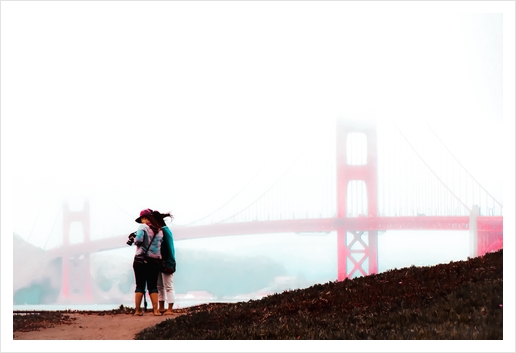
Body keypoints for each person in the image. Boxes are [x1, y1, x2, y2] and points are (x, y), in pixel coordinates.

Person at [128, 208, 164, 316]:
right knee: (153, 286)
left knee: (140, 285)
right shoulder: (159, 230)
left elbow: (138, 240)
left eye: (142, 219)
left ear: (145, 218)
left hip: (141, 260)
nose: (142, 221)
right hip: (155, 261)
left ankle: (138, 310)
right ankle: (156, 310)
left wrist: (133, 239)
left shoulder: (142, 227)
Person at [152, 210, 177, 315]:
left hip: (166, 262)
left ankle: (170, 309)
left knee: (168, 286)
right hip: (159, 261)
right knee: (160, 286)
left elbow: (170, 249)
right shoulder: (161, 230)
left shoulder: (165, 231)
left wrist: (170, 263)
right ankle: (162, 307)